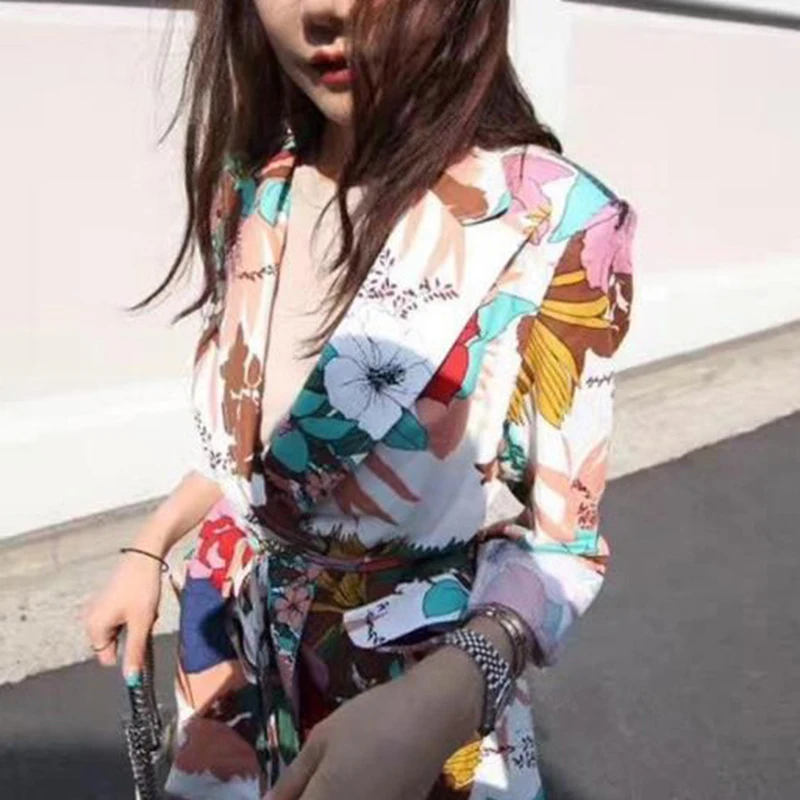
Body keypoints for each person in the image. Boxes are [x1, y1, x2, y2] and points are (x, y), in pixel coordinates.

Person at [83, 1, 637, 798]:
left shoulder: (556, 223)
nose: (325, 9)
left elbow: (563, 551)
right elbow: (257, 461)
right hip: (237, 667)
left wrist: (449, 694)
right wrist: (151, 545)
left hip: (415, 706)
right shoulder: (253, 189)